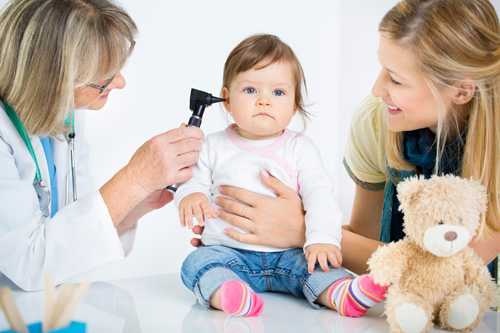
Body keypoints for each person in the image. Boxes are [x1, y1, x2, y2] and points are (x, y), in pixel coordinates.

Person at [192, 0, 500, 279]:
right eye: (382, 68)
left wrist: (301, 230)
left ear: (461, 90)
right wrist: (244, 236)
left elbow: (454, 273)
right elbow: (361, 242)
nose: (377, 89)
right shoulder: (377, 120)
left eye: (396, 78)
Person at [178, 34, 387, 318]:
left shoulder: (300, 148)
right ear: (226, 99)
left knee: (321, 265)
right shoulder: (210, 145)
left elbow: (319, 197)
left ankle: (341, 294)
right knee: (196, 263)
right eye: (251, 90)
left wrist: (321, 238)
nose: (264, 101)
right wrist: (192, 195)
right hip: (228, 252)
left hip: (290, 251)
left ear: (295, 104)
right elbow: (193, 179)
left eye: (278, 93)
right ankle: (229, 294)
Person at [0, 0, 203, 291]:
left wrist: (134, 204)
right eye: (104, 79)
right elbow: (28, 264)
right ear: (55, 80)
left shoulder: (63, 117)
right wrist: (134, 179)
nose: (119, 83)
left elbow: (69, 235)